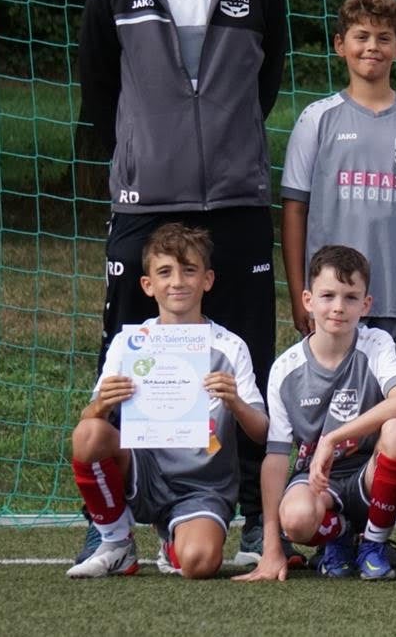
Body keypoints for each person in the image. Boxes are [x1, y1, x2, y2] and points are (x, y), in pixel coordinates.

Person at [74, 0, 288, 566]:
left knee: (249, 357)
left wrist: (219, 147)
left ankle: (256, 512)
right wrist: (147, 151)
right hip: (146, 201)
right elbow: (101, 95)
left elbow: (265, 85)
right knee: (125, 360)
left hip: (235, 200)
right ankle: (113, 522)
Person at [65, 224, 268, 579]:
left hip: (202, 486)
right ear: (148, 285)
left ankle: (174, 540)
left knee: (200, 564)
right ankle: (116, 542)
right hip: (143, 469)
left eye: (189, 270)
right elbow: (89, 417)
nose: (177, 282)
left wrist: (235, 402)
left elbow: (262, 432)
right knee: (88, 434)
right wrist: (103, 405)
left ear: (207, 280)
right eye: (165, 272)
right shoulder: (132, 344)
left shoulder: (229, 347)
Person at [281, 0, 396, 358]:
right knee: (335, 408)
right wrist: (301, 294)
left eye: (384, 38)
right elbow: (295, 210)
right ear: (340, 45)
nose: (372, 46)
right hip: (333, 302)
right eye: (361, 36)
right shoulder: (317, 119)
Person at [235, 245, 396, 583]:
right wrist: (272, 547)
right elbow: (275, 458)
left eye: (350, 298)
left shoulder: (376, 343)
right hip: (318, 482)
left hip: (368, 475)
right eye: (328, 295)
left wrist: (332, 437)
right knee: (297, 519)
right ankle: (339, 535)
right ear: (308, 300)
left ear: (366, 305)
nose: (338, 307)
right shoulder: (285, 369)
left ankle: (373, 545)